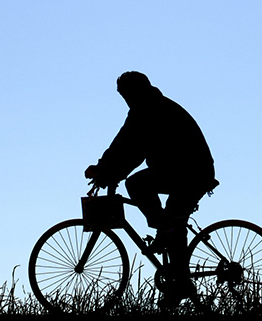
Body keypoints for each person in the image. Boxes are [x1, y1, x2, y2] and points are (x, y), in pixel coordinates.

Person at [85, 71, 218, 306]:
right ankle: (176, 269)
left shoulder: (149, 110)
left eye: (126, 95)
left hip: (190, 172)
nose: (125, 100)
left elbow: (129, 147)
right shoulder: (150, 106)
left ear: (136, 92)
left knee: (142, 189)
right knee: (171, 220)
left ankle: (179, 279)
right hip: (185, 171)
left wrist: (106, 171)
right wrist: (108, 171)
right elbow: (127, 146)